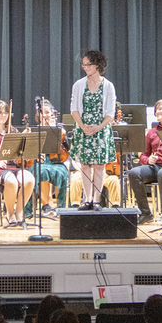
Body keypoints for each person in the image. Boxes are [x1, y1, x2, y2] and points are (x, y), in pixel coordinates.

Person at [69, 50, 117, 211]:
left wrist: (98, 127)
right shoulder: (79, 85)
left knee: (99, 166)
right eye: (83, 65)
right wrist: (83, 126)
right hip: (83, 128)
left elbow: (110, 112)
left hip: (101, 129)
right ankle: (87, 200)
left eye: (88, 64)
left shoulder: (108, 86)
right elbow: (74, 109)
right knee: (84, 165)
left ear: (97, 65)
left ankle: (97, 200)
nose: (85, 67)